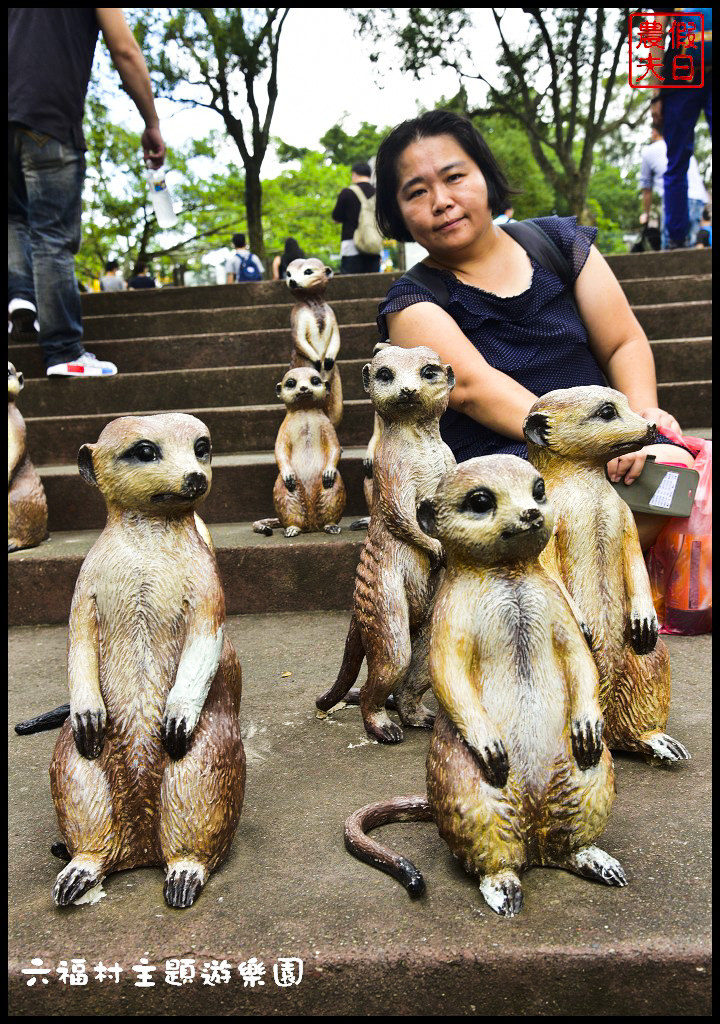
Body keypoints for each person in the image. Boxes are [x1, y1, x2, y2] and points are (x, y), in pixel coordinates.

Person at [374, 110, 696, 550]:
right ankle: (576, 589)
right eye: (416, 191)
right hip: (507, 458)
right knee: (534, 504)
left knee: (673, 471)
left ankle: (602, 582)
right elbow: (473, 390)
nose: (441, 200)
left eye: (454, 177)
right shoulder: (412, 303)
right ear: (397, 212)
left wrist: (639, 422)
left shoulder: (560, 244)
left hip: (604, 439)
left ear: (486, 177)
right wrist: (585, 446)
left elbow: (623, 342)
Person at [8, 8, 166, 378]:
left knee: (13, 216)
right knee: (52, 236)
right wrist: (152, 122)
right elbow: (124, 49)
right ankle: (63, 349)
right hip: (47, 116)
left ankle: (20, 297)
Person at [651, 9, 712, 249]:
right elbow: (656, 35)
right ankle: (676, 239)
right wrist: (655, 94)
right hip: (681, 79)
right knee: (676, 159)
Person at [640, 112, 708, 247]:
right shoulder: (680, 147)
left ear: (654, 132)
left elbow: (647, 189)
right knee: (694, 246)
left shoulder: (649, 151)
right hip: (698, 198)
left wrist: (646, 214)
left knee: (671, 247)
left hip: (674, 197)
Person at [332, 161, 381, 274]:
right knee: (372, 284)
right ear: (369, 175)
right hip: (373, 243)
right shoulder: (378, 193)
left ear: (354, 174)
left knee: (349, 285)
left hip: (351, 245)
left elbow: (336, 217)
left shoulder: (347, 192)